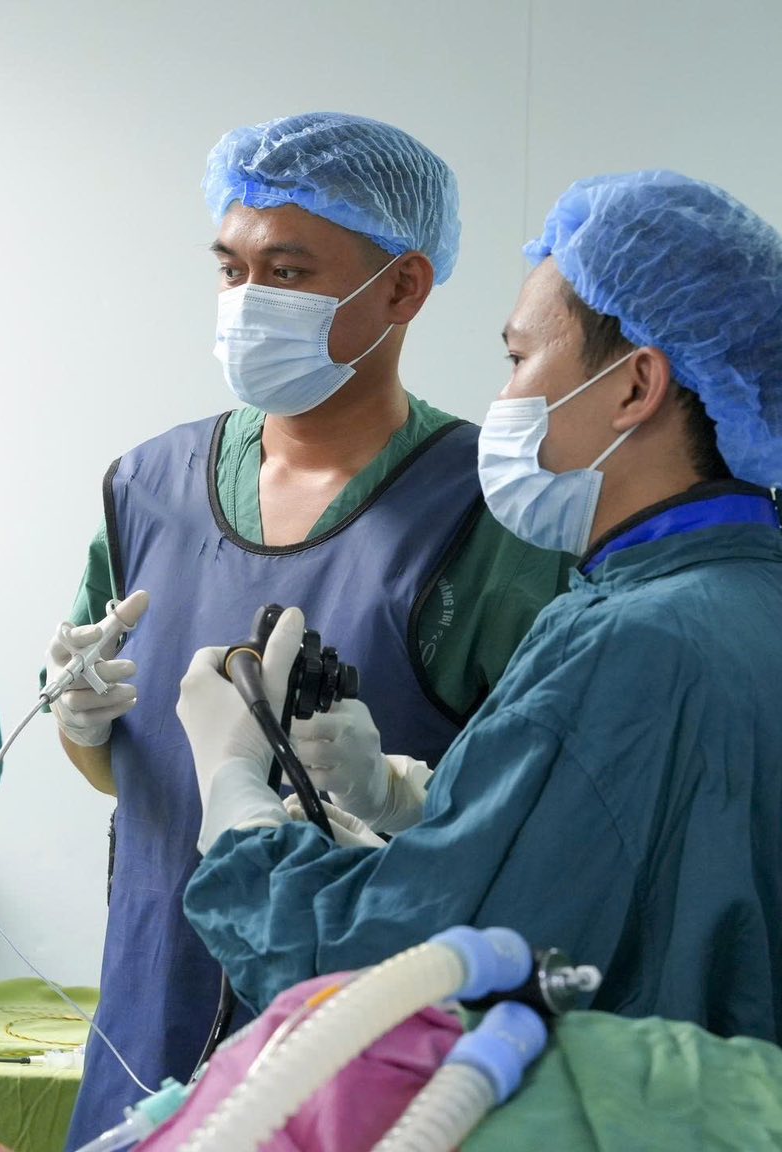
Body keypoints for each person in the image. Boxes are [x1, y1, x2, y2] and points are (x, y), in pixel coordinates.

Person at [178, 171, 782, 1082]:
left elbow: (391, 981)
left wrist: (236, 804)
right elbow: (636, 886)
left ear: (636, 386)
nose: (506, 397)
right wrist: (416, 808)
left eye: (519, 360)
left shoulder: (631, 642)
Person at [52, 112, 569, 1144]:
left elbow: (529, 828)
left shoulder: (489, 516)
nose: (247, 300)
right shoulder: (147, 487)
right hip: (149, 1014)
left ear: (403, 288)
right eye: (231, 269)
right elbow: (131, 774)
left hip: (364, 1047)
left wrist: (386, 794)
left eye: (286, 272)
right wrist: (79, 723)